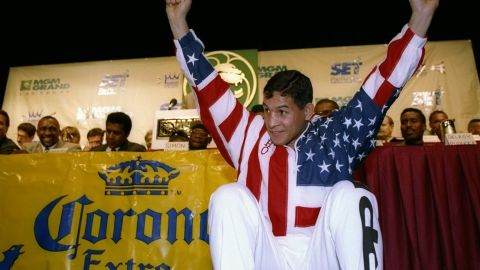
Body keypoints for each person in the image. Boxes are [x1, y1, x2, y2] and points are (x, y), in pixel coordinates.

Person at [166, 0, 438, 269]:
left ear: (308, 111)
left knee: (353, 194)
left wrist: (421, 16)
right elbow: (205, 82)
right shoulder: (248, 132)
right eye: (268, 110)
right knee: (228, 196)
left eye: (283, 112)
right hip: (268, 255)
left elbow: (384, 83)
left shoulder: (335, 134)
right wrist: (178, 21)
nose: (272, 122)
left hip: (322, 256)